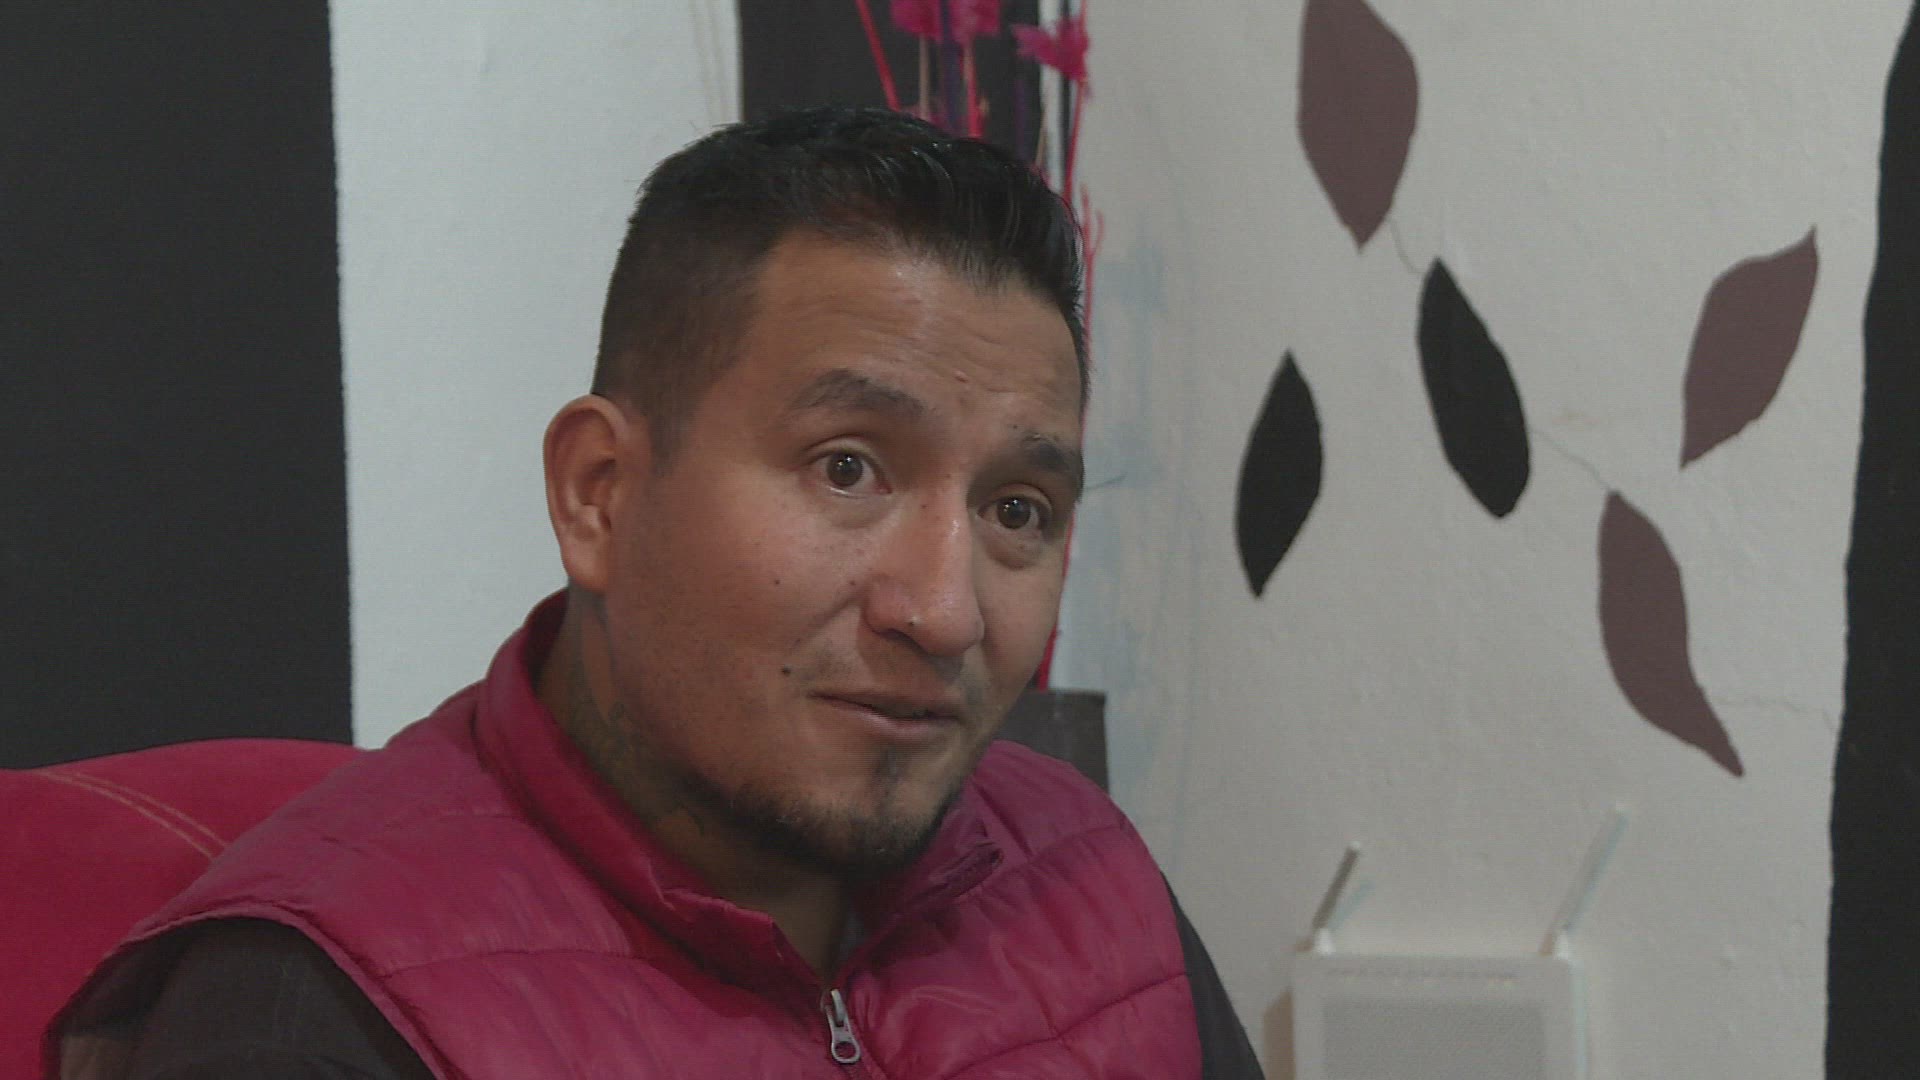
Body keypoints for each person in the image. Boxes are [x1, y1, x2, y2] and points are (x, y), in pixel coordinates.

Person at [52, 105, 1262, 1079]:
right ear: (600, 494)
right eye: (848, 469)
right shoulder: (313, 1018)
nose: (944, 611)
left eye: (1016, 511)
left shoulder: (1086, 875)